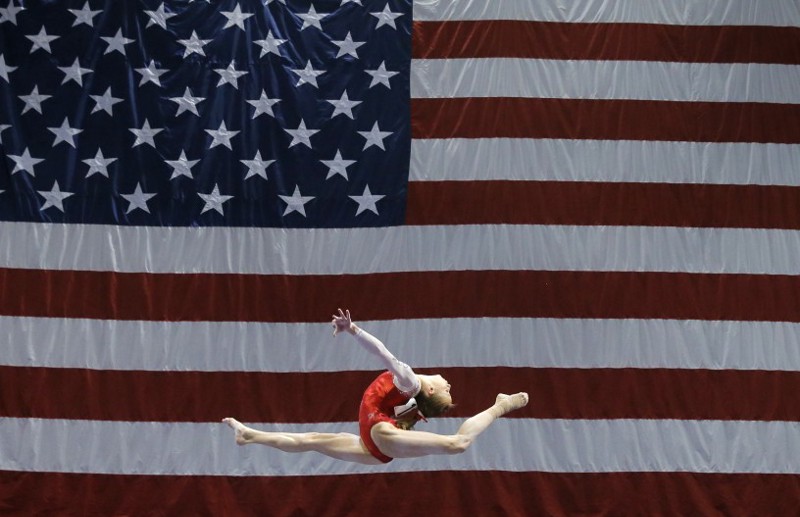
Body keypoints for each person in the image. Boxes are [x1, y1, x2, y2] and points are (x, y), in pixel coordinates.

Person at [222, 309, 529, 465]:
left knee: (457, 445)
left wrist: (353, 329)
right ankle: (250, 435)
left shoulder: (410, 380)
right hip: (374, 443)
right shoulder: (410, 403)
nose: (448, 382)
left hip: (379, 434)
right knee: (310, 440)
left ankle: (501, 404)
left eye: (446, 387)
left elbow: (382, 351)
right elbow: (405, 418)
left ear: (431, 390)